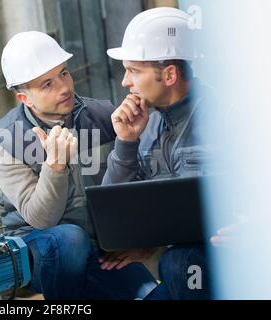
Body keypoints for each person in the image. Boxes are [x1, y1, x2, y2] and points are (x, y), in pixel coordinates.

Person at [0, 31, 156, 299]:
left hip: (99, 247)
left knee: (152, 294)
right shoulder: (3, 141)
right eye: (47, 84)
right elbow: (40, 219)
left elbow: (135, 188)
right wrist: (55, 166)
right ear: (24, 98)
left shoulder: (102, 116)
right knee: (70, 241)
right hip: (38, 250)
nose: (64, 87)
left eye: (64, 73)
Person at [101, 7, 216, 299]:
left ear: (169, 74)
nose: (125, 81)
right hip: (183, 259)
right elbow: (113, 214)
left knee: (178, 263)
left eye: (133, 71)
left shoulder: (226, 115)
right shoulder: (147, 124)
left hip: (231, 257)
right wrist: (126, 142)